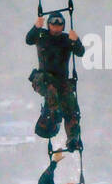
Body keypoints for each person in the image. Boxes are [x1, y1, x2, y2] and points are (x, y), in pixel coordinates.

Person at [27, 11, 85, 151]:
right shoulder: (41, 35)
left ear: (63, 26)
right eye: (53, 23)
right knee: (51, 88)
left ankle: (73, 139)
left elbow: (80, 52)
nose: (56, 26)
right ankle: (54, 113)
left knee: (71, 109)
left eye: (59, 24)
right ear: (49, 24)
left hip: (62, 82)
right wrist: (36, 26)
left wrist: (75, 40)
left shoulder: (67, 39)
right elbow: (29, 40)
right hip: (44, 79)